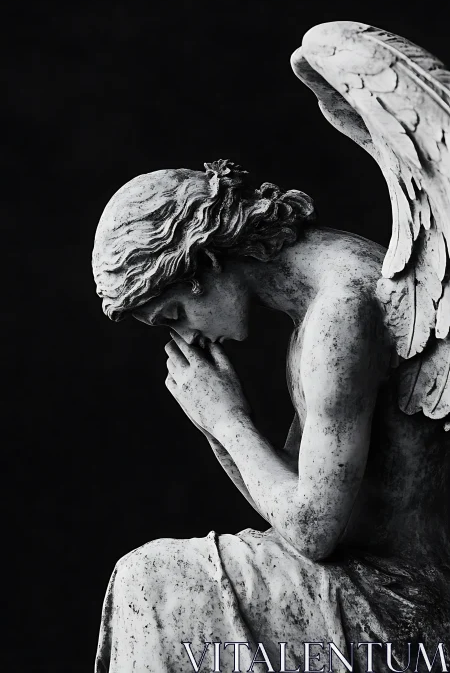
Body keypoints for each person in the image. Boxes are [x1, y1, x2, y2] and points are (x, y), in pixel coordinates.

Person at [92, 159, 449, 673]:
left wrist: (227, 422)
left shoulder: (341, 312)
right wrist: (216, 424)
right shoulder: (313, 306)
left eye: (173, 316)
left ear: (207, 262)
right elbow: (287, 499)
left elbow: (311, 531)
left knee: (150, 582)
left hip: (403, 602)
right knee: (150, 581)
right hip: (367, 570)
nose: (185, 338)